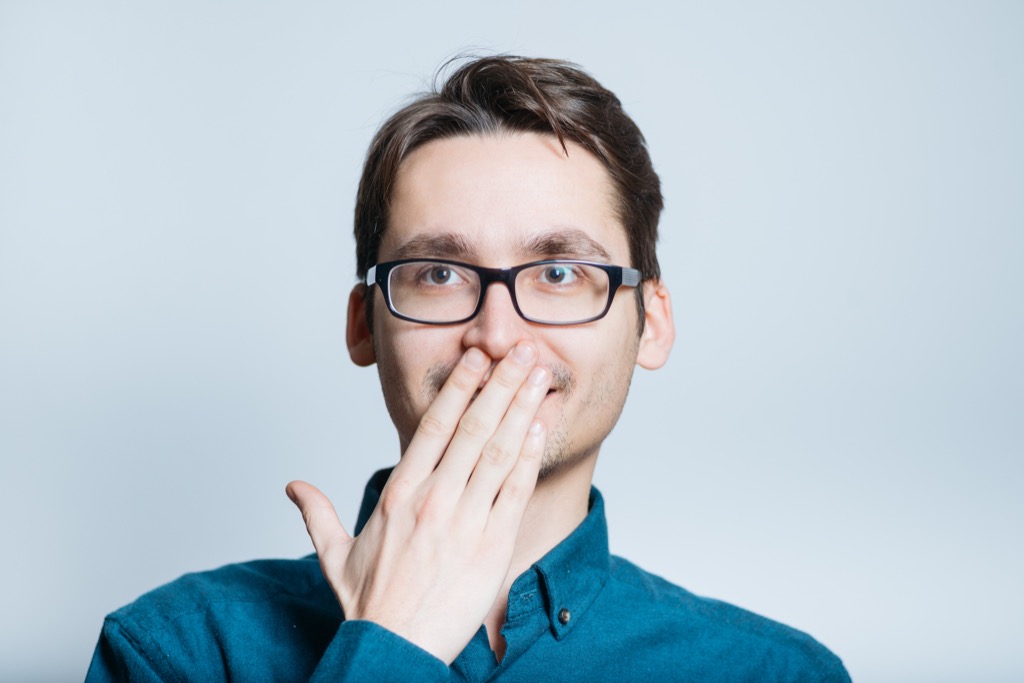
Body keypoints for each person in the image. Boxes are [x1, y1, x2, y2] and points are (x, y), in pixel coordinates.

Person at [87, 55, 850, 682]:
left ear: (650, 321)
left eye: (559, 273)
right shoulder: (176, 651)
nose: (497, 334)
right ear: (364, 323)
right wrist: (393, 641)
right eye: (440, 274)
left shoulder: (776, 673)